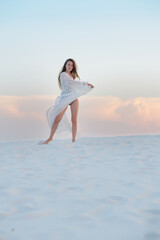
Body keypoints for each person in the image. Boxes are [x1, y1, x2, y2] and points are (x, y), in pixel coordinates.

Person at [41, 58, 94, 144]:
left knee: (74, 119)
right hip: (65, 98)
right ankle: (50, 138)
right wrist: (86, 84)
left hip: (73, 98)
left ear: (73, 67)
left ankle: (73, 140)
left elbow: (74, 86)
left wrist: (85, 86)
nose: (70, 66)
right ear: (65, 65)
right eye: (68, 64)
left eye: (71, 65)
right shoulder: (63, 74)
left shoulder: (72, 76)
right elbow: (72, 83)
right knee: (57, 119)